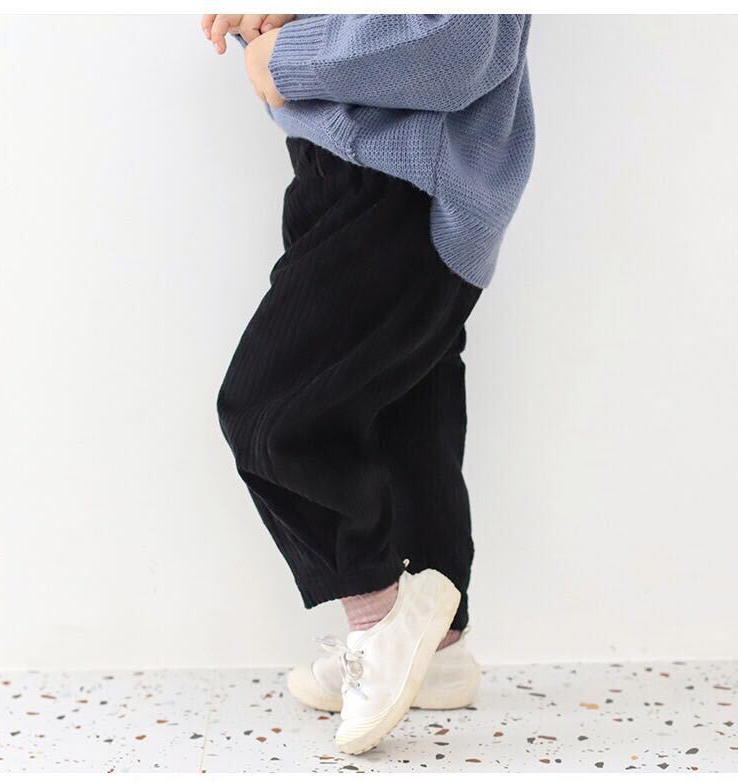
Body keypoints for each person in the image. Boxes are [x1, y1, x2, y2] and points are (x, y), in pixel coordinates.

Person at [203, 13, 535, 755]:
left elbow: (463, 43)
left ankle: (382, 620)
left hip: (407, 179)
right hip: (344, 167)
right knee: (400, 409)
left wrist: (290, 54)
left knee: (270, 408)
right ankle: (437, 652)